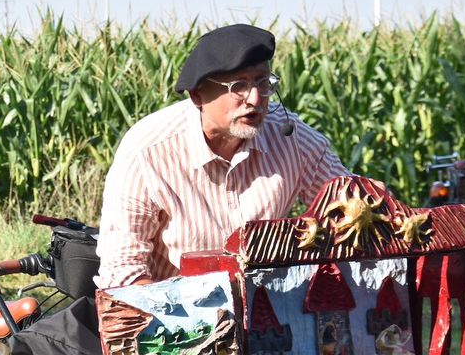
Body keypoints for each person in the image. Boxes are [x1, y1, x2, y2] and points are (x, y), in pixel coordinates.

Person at [95, 23, 350, 289]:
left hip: (268, 307)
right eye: (238, 86)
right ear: (197, 95)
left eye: (263, 82)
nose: (255, 99)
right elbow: (122, 271)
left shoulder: (291, 137)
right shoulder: (148, 152)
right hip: (177, 314)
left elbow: (350, 206)